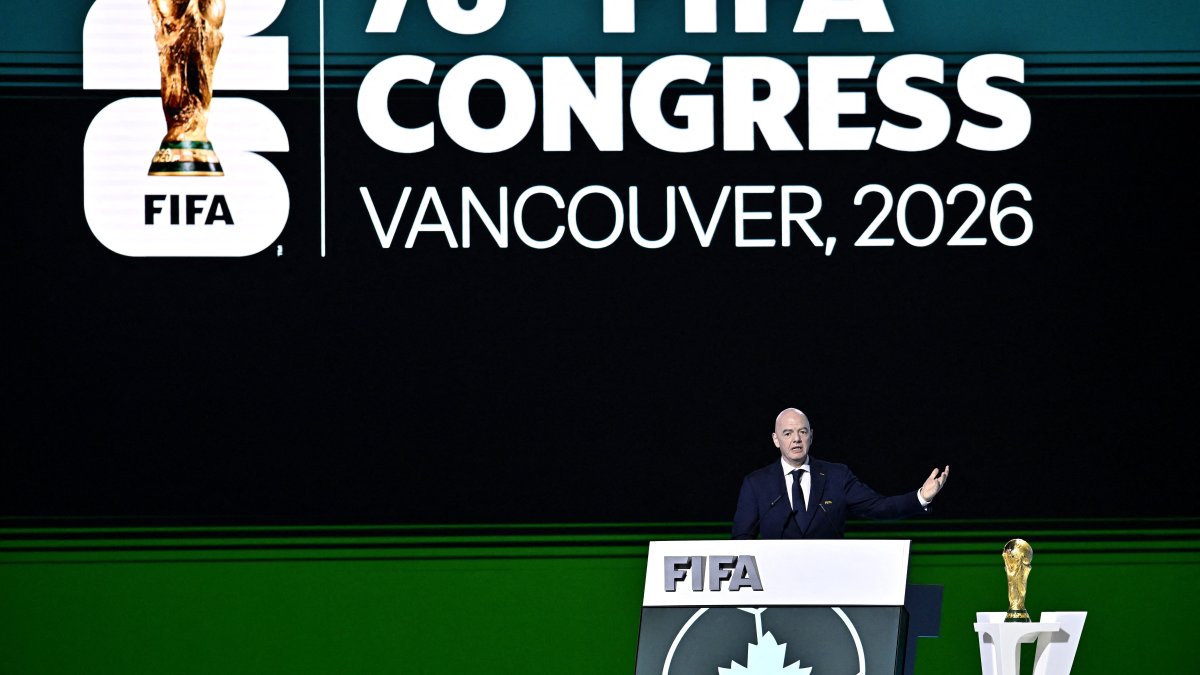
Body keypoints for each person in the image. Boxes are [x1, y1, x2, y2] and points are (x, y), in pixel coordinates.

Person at [732, 408, 949, 539]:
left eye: (802, 432)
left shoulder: (837, 475)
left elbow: (878, 507)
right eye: (787, 433)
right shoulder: (756, 484)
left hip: (830, 585)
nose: (796, 439)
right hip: (775, 587)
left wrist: (921, 496)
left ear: (811, 436)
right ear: (776, 439)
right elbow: (741, 539)